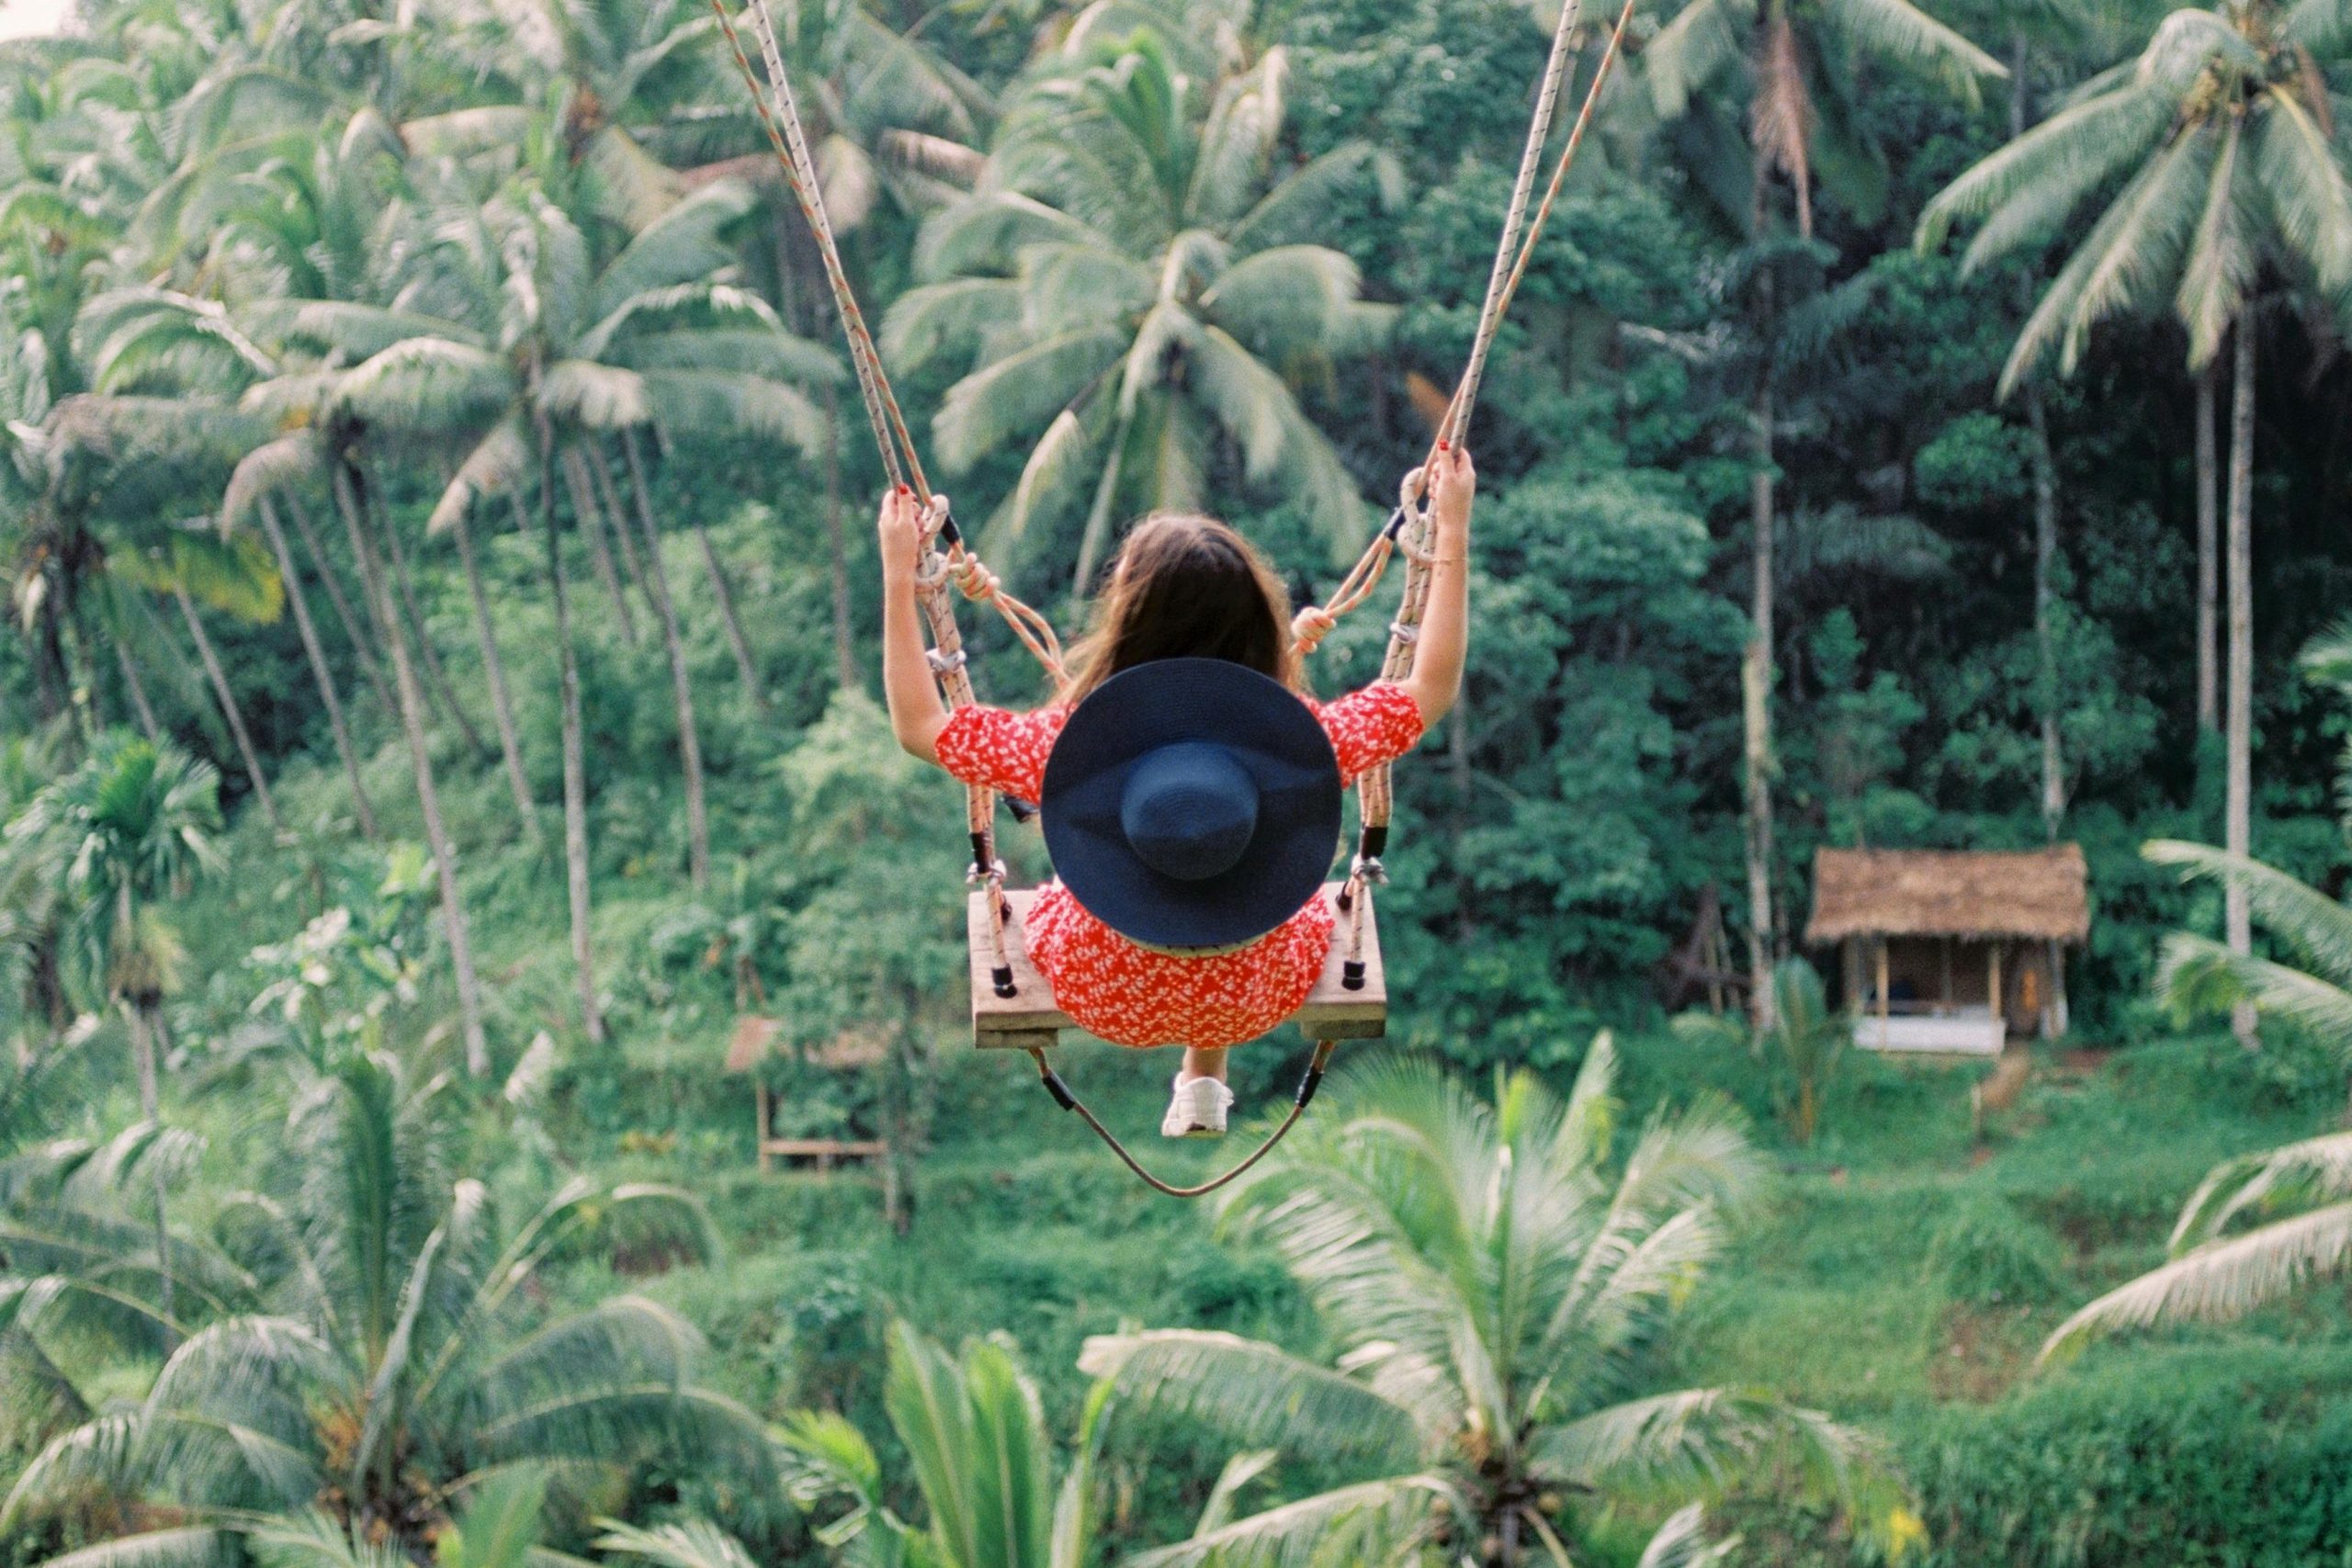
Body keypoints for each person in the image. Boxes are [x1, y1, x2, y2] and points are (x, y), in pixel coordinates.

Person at [878, 446, 1475, 1137]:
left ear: (1127, 616)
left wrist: (898, 575)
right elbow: (1430, 687)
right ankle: (1206, 1068)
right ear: (1259, 618)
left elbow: (920, 725)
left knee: (1104, 881)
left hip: (1103, 993)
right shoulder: (1304, 740)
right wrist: (1454, 531)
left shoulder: (1065, 744)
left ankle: (1199, 1069)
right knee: (1239, 865)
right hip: (1256, 996)